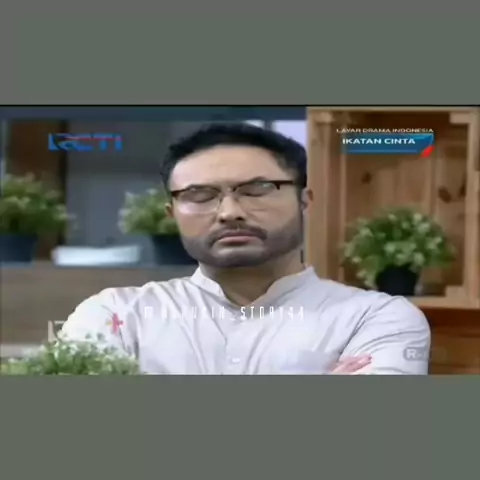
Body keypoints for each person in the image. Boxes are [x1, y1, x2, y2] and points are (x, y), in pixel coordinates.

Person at [61, 123, 431, 374]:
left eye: (257, 190)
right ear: (172, 214)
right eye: (200, 195)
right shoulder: (116, 315)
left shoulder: (375, 318)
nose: (229, 212)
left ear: (304, 200)